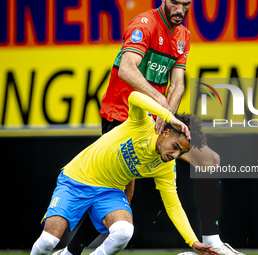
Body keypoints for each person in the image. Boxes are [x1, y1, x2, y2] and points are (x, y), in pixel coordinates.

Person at [54, 0, 244, 255]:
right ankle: (69, 253)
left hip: (159, 120)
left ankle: (213, 241)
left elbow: (178, 84)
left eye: (186, 4)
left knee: (209, 160)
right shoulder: (144, 25)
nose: (180, 10)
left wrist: (167, 112)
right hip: (123, 117)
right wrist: (160, 102)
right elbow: (126, 68)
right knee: (120, 199)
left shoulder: (183, 35)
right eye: (175, 3)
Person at [31, 91, 219, 255]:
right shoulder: (142, 124)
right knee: (47, 242)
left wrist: (192, 241)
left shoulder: (166, 167)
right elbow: (134, 96)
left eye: (182, 153)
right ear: (165, 132)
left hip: (109, 192)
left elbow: (173, 206)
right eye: (175, 147)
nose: (175, 155)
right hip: (76, 180)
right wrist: (168, 116)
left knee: (123, 232)